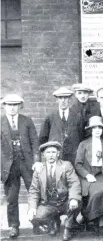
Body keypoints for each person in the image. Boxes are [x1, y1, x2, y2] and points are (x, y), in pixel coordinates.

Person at [1, 94, 40, 238]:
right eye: (9, 105)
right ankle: (14, 226)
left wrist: (36, 160)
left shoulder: (27, 121)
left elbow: (35, 142)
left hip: (27, 162)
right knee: (11, 197)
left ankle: (37, 222)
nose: (12, 108)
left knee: (34, 192)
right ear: (4, 106)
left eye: (15, 105)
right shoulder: (0, 122)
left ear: (19, 106)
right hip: (8, 165)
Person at [28, 141, 81, 241]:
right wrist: (32, 207)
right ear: (43, 155)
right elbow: (34, 190)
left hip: (64, 202)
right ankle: (53, 222)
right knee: (35, 216)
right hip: (49, 204)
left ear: (58, 154)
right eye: (48, 153)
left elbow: (74, 183)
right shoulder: (39, 169)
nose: (51, 155)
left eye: (53, 152)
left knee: (77, 202)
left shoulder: (66, 165)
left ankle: (68, 228)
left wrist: (74, 198)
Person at [74, 116, 103, 236]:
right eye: (94, 128)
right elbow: (78, 164)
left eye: (100, 128)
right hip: (88, 175)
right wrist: (87, 175)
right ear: (90, 130)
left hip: (102, 174)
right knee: (96, 192)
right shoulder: (83, 144)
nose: (97, 130)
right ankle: (95, 220)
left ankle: (100, 221)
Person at [39, 87, 84, 164]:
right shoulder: (50, 117)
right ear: (57, 100)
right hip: (56, 157)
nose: (63, 101)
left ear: (69, 99)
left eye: (66, 98)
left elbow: (81, 137)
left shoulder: (77, 116)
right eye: (60, 98)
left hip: (73, 157)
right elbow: (43, 138)